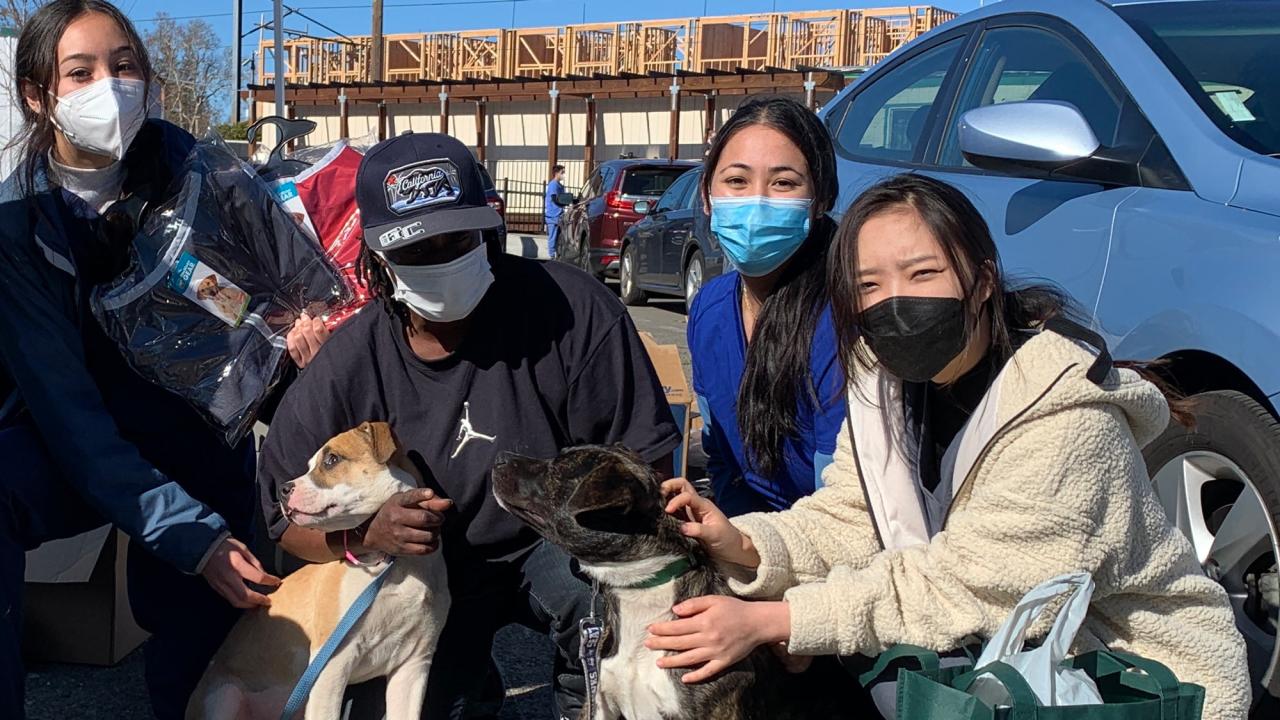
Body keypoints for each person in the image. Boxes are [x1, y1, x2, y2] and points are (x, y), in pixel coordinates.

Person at [650, 174, 1252, 719]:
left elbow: (975, 583)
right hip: (1007, 657)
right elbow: (855, 516)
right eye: (868, 284)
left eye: (922, 273)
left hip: (1133, 678)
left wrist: (779, 619)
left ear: (982, 278)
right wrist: (748, 542)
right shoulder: (883, 383)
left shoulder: (1067, 418)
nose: (895, 300)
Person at [257, 132, 680, 719]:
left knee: (605, 612)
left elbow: (646, 468)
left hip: (552, 542)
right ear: (375, 257)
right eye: (415, 249)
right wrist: (366, 536)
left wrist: (632, 582)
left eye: (456, 238)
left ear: (490, 227)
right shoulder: (348, 365)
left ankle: (588, 701)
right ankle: (471, 682)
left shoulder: (575, 311)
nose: (439, 259)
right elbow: (283, 520)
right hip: (425, 569)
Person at [0, 1, 326, 717]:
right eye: (79, 73)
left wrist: (303, 334)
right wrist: (191, 535)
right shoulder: (18, 225)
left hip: (198, 429)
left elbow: (279, 295)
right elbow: (69, 415)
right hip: (73, 444)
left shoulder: (202, 174)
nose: (108, 88)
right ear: (36, 95)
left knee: (203, 655)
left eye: (124, 66)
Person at [687, 97, 845, 517]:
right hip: (745, 535)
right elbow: (720, 456)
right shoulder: (709, 308)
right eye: (736, 181)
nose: (756, 203)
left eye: (784, 183)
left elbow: (844, 503)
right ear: (707, 196)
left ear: (821, 199)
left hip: (834, 548)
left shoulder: (841, 317)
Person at [544, 163, 566, 259]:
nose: (563, 174)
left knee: (558, 236)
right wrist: (562, 204)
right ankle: (552, 255)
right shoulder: (553, 185)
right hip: (553, 215)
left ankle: (557, 253)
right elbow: (554, 198)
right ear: (557, 173)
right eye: (562, 172)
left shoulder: (559, 185)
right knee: (552, 236)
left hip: (559, 214)